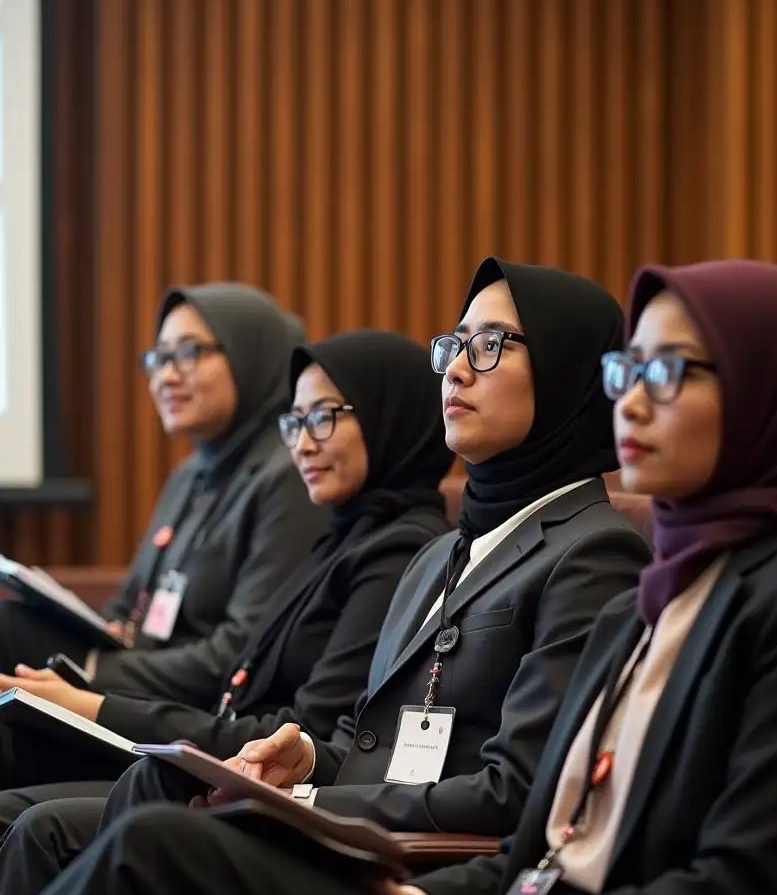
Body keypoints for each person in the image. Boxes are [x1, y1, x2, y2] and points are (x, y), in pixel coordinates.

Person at [0, 259, 777, 895]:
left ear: (769, 391)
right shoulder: (668, 590)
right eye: (628, 369)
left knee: (164, 847)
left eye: (668, 372)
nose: (630, 399)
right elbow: (540, 845)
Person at [0, 257, 650, 895]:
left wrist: (306, 801)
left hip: (413, 868)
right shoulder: (437, 556)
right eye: (454, 345)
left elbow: (513, 793)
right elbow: (368, 745)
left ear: (569, 370)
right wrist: (307, 759)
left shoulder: (593, 550)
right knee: (143, 796)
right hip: (352, 828)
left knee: (107, 831)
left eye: (489, 346)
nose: (455, 369)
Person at [0, 330, 452, 861]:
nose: (303, 443)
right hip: (212, 758)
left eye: (324, 416)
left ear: (388, 417)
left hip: (263, 789)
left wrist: (94, 704)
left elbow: (301, 734)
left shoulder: (399, 552)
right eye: (296, 421)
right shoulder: (342, 536)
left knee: (34, 825)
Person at [0, 283, 323, 760]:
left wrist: (92, 671)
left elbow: (238, 651)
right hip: (138, 684)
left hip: (189, 717)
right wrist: (97, 643)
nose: (165, 377)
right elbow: (128, 608)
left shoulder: (290, 475)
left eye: (189, 354)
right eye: (158, 358)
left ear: (253, 356)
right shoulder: (191, 473)